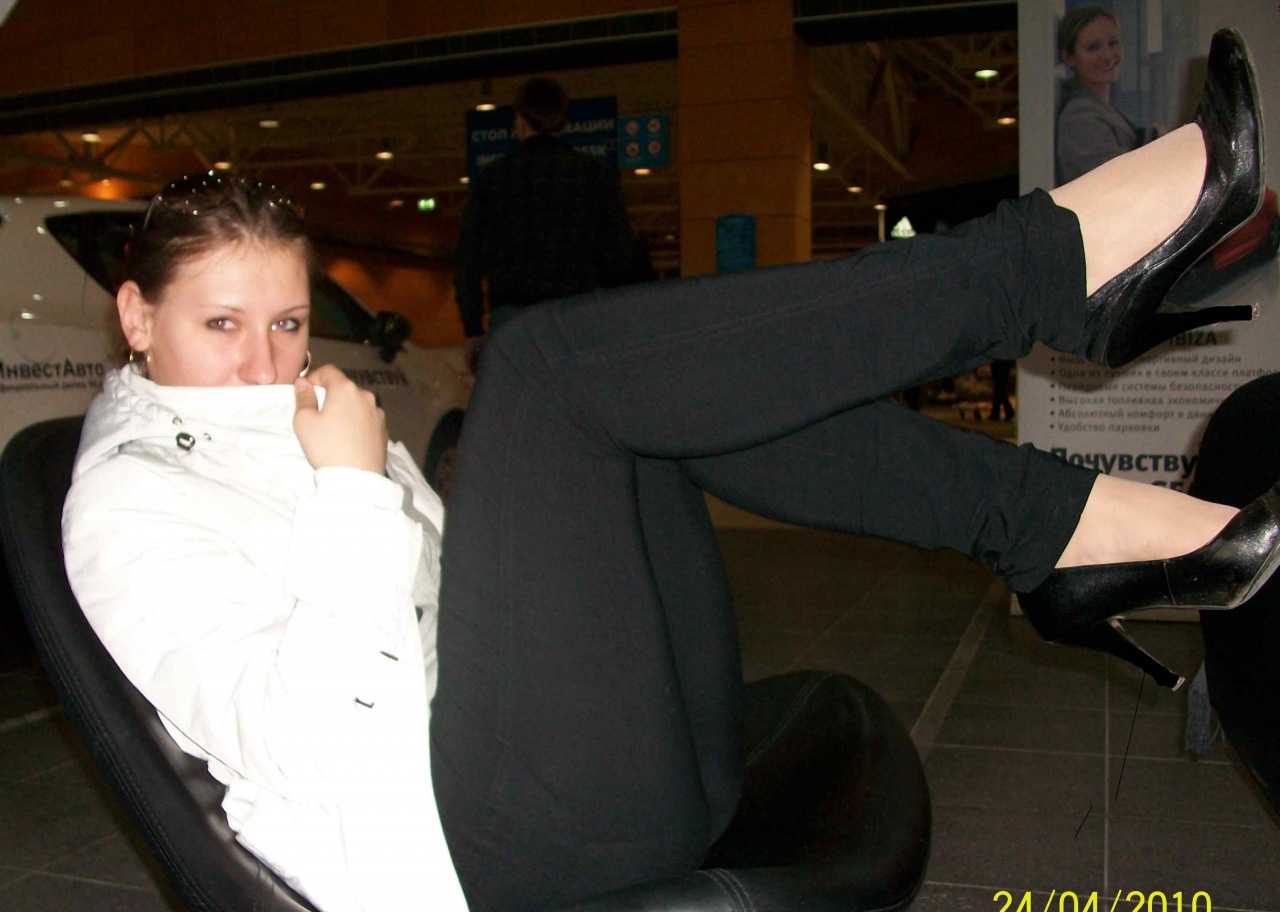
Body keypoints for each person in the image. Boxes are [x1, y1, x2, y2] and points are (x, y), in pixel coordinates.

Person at [61, 30, 1269, 912]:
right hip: (474, 856)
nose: (266, 362)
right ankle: (1051, 288)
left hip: (612, 764)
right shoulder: (125, 505)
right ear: (134, 315)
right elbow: (322, 741)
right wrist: (349, 492)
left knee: (645, 387)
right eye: (222, 326)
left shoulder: (297, 416)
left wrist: (432, 496)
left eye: (286, 323)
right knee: (549, 368)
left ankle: (1048, 525)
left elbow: (463, 612)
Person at [453, 77, 651, 366]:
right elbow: (619, 256)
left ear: (521, 121)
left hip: (512, 321)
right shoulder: (594, 175)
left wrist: (473, 328)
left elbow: (468, 260)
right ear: (563, 122)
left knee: (517, 393)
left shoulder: (493, 177)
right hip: (576, 317)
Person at [1056, 5, 1142, 185]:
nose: (1108, 56)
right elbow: (1115, 185)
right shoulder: (1081, 117)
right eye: (1093, 48)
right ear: (1069, 58)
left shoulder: (1100, 106)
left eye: (1113, 43)